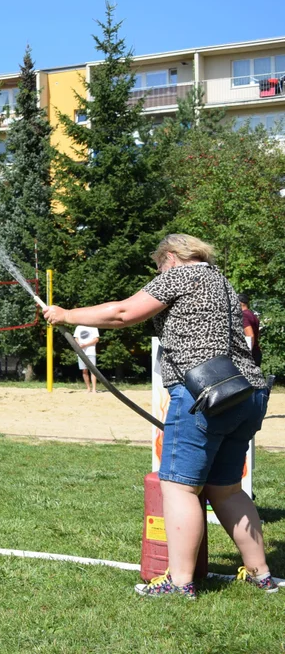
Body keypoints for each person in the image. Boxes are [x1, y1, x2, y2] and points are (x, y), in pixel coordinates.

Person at [43, 234, 274, 598]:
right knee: (226, 489)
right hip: (247, 392)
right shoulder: (222, 281)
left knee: (180, 486)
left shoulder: (180, 275)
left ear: (170, 256)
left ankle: (179, 583)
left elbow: (123, 313)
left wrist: (65, 315)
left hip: (203, 391)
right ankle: (261, 574)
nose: (157, 273)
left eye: (158, 266)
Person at [73, 324, 100, 393]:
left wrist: (85, 345)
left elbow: (96, 339)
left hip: (90, 351)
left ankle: (94, 388)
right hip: (81, 352)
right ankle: (88, 388)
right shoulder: (78, 327)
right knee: (84, 370)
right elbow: (76, 338)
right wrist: (79, 344)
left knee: (93, 370)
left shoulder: (93, 326)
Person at [239, 294, 262, 367]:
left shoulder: (244, 315)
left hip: (250, 354)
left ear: (240, 303)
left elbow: (250, 335)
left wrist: (247, 355)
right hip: (256, 352)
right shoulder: (252, 315)